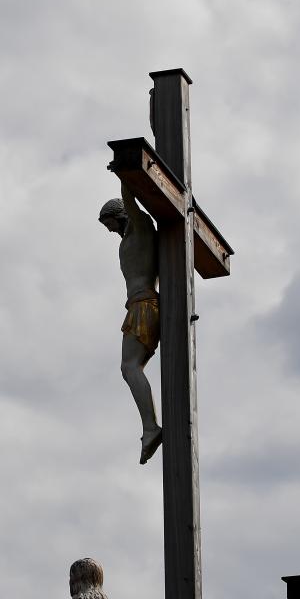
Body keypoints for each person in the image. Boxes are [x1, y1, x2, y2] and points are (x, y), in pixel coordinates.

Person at [99, 182, 162, 463]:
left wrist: (126, 172)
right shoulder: (128, 238)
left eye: (109, 223)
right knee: (129, 368)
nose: (109, 230)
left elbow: (130, 198)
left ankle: (150, 427)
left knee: (129, 366)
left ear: (120, 215)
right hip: (138, 306)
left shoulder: (140, 226)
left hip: (145, 306)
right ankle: (149, 427)